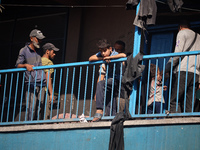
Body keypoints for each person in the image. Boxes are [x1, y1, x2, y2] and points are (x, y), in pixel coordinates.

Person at [165, 20, 200, 113]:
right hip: (196, 73)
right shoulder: (199, 37)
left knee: (175, 99)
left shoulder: (182, 33)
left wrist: (167, 68)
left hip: (184, 70)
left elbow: (178, 53)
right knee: (189, 100)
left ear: (180, 27)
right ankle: (189, 119)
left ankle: (176, 119)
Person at [89, 39, 126, 122]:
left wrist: (110, 57)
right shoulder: (102, 55)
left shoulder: (114, 53)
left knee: (101, 84)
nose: (103, 53)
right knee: (109, 99)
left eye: (105, 51)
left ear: (110, 49)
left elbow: (123, 55)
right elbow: (90, 58)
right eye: (101, 51)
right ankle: (111, 118)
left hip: (117, 80)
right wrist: (103, 58)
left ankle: (99, 110)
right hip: (109, 82)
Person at [16, 29, 46, 121]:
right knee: (31, 107)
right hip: (31, 82)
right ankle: (29, 125)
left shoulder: (40, 50)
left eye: (40, 39)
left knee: (39, 108)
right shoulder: (24, 50)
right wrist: (25, 65)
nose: (40, 41)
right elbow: (17, 65)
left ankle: (35, 125)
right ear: (31, 38)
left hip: (42, 82)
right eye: (38, 39)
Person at [41, 43, 59, 119]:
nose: (54, 54)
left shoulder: (39, 61)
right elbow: (48, 78)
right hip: (45, 91)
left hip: (38, 89)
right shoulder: (48, 62)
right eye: (53, 52)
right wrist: (51, 94)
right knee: (46, 114)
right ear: (47, 51)